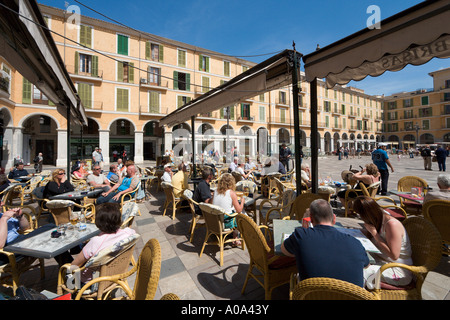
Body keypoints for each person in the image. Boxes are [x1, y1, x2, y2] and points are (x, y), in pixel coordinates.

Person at [281, 199, 369, 287]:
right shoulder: (355, 243)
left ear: (311, 219)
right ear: (334, 218)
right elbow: (366, 265)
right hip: (351, 295)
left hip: (311, 294)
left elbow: (284, 250)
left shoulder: (301, 235)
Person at [352, 196, 413, 288]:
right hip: (381, 260)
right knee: (351, 260)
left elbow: (394, 255)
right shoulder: (377, 219)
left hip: (397, 269)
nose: (360, 217)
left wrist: (374, 234)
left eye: (360, 215)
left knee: (356, 271)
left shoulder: (391, 224)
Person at [69, 203, 136, 284]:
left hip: (95, 281)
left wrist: (68, 269)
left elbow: (74, 265)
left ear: (98, 222)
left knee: (67, 272)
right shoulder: (129, 233)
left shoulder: (95, 242)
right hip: (117, 274)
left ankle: (70, 293)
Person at [212, 173, 244, 245]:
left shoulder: (215, 191)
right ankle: (236, 237)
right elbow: (239, 210)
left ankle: (235, 238)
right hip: (225, 222)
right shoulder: (231, 193)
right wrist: (242, 202)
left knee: (232, 210)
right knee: (239, 215)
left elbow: (212, 204)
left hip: (214, 221)